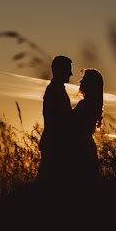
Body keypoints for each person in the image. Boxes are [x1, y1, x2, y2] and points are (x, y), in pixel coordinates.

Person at [37, 56, 73, 187]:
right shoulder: (54, 90)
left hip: (55, 143)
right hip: (55, 144)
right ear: (60, 70)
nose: (71, 73)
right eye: (69, 69)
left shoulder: (57, 89)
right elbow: (59, 119)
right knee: (49, 183)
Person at [69, 68, 104, 183]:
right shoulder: (93, 103)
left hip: (82, 151)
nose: (80, 82)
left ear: (90, 84)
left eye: (83, 79)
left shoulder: (86, 104)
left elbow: (72, 125)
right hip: (86, 149)